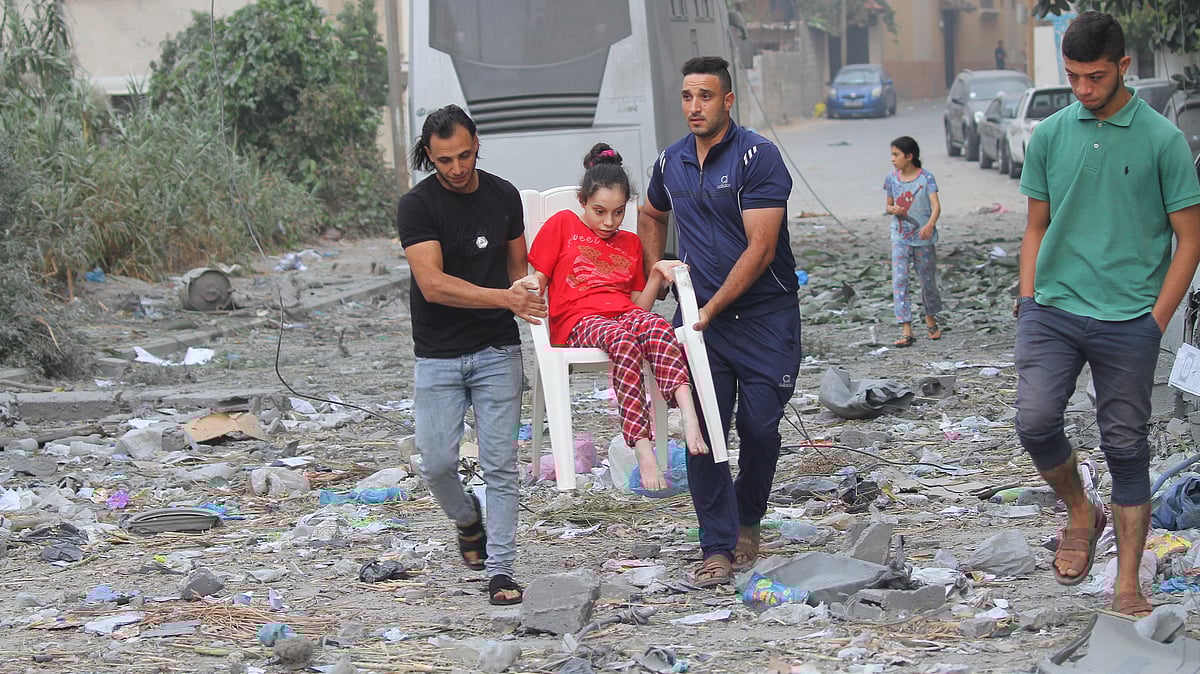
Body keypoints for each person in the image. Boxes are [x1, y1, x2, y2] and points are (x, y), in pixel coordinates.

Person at [1014, 11, 1200, 618]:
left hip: (1129, 320)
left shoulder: (1162, 140)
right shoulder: (1050, 135)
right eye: (1073, 77)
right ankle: (1078, 510)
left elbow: (1189, 240)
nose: (1084, 90)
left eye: (1096, 77)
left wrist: (1154, 322)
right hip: (1053, 307)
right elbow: (1036, 226)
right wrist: (1027, 300)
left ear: (1123, 66)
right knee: (1036, 422)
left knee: (1126, 448)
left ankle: (1127, 584)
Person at [639, 56, 800, 587]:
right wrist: (655, 273)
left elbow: (762, 246)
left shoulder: (759, 156)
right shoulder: (670, 162)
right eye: (687, 96)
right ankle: (717, 547)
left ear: (727, 101)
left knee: (759, 426)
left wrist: (708, 309)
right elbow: (650, 212)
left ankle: (749, 515)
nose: (694, 107)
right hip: (702, 324)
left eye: (705, 96)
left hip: (764, 317)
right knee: (702, 430)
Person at [395, 104, 547, 606]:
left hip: (497, 351)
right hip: (437, 355)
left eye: (463, 156)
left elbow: (519, 270)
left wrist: (531, 290)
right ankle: (466, 518)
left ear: (477, 143)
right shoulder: (417, 207)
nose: (457, 169)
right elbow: (433, 285)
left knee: (501, 465)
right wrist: (507, 297)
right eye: (444, 161)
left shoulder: (503, 196)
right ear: (429, 157)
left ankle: (501, 571)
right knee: (437, 464)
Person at [527, 143, 709, 491]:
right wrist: (530, 282)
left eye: (617, 212)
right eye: (599, 212)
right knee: (624, 341)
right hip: (578, 321)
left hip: (622, 315)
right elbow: (540, 276)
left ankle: (688, 415)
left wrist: (655, 273)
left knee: (658, 327)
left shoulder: (629, 242)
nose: (609, 222)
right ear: (582, 201)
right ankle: (643, 449)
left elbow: (639, 309)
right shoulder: (562, 224)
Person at [883, 135, 942, 347]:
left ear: (909, 156)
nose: (893, 159)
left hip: (923, 238)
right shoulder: (892, 178)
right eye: (892, 154)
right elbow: (888, 205)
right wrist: (893, 209)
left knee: (927, 280)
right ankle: (906, 327)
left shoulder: (926, 178)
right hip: (900, 236)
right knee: (900, 279)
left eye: (896, 155)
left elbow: (936, 205)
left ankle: (931, 319)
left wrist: (930, 224)